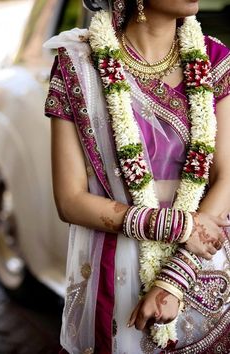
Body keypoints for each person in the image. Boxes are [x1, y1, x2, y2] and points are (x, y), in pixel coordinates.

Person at [44, 0, 230, 353]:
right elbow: (69, 200)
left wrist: (176, 278)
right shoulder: (78, 66)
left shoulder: (215, 59)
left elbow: (227, 177)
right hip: (118, 266)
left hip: (205, 262)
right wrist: (178, 227)